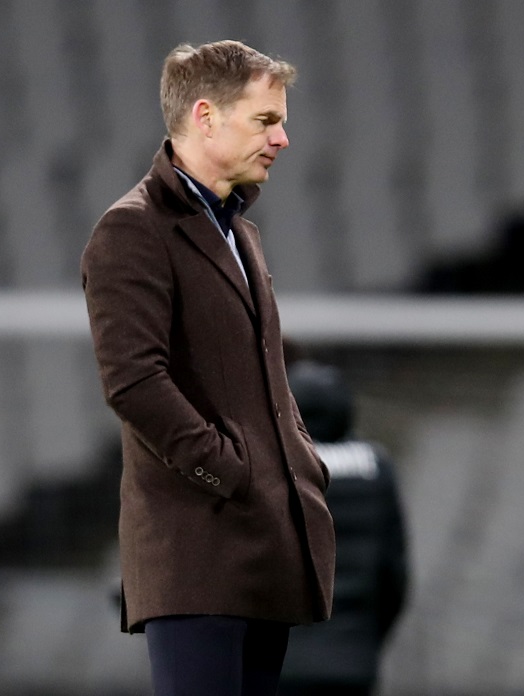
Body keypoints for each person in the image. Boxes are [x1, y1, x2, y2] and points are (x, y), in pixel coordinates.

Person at [80, 40, 335, 696]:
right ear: (205, 116)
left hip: (259, 543)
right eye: (265, 120)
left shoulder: (240, 231)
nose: (282, 138)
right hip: (198, 547)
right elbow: (135, 382)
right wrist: (231, 473)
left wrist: (300, 465)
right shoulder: (131, 230)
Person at [279, 361, 409, 696]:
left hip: (280, 665)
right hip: (352, 662)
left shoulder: (271, 468)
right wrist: (366, 643)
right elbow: (394, 576)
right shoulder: (377, 468)